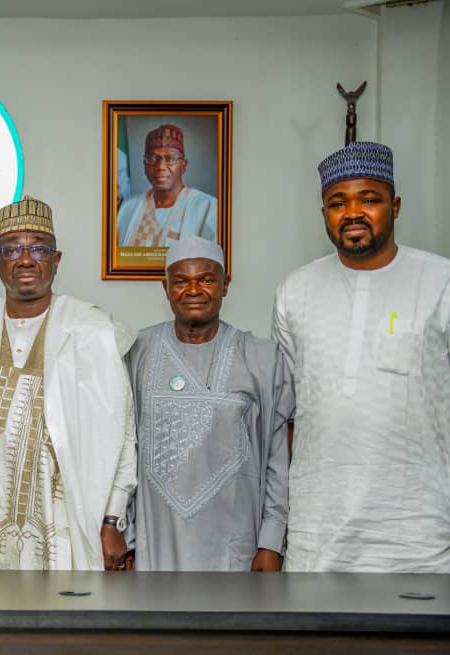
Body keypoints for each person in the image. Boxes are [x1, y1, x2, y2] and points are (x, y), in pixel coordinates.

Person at [0, 195, 136, 571]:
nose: (25, 259)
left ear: (56, 260)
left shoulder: (93, 330)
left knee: (64, 609)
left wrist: (111, 520)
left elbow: (123, 435)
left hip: (66, 524)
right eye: (12, 250)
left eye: (38, 248)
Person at [272, 141, 450, 573]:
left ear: (396, 206)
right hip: (317, 533)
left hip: (420, 533)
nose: (353, 213)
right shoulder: (295, 292)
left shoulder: (440, 281)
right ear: (324, 214)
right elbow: (287, 415)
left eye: (369, 199)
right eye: (338, 203)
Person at [126, 236, 291, 572]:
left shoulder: (261, 358)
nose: (193, 290)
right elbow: (124, 450)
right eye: (181, 281)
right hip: (156, 545)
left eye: (206, 280)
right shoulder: (137, 351)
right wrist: (125, 536)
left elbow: (278, 459)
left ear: (225, 285)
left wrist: (271, 543)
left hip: (235, 546)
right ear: (165, 288)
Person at [117, 124, 217, 247]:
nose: (160, 166)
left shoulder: (209, 208)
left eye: (170, 158)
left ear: (183, 165)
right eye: (153, 158)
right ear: (145, 165)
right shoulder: (128, 207)